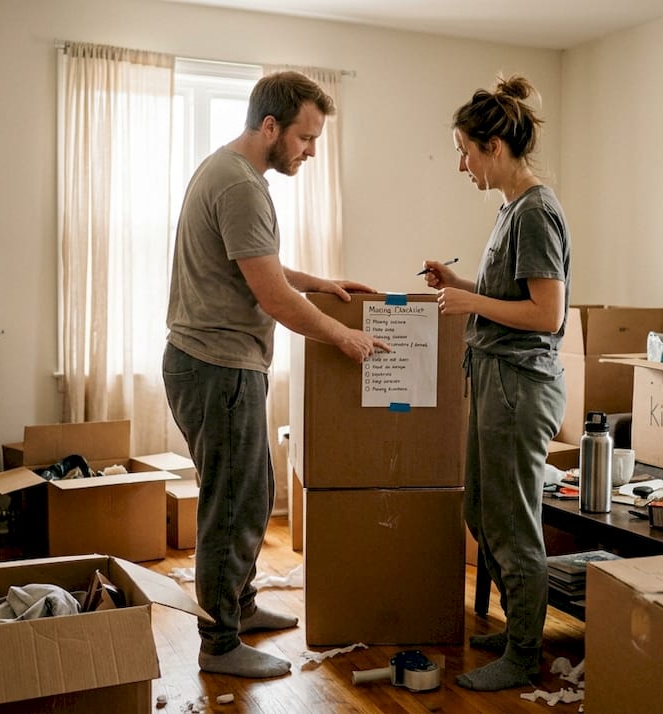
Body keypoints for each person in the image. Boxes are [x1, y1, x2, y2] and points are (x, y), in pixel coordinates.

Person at [163, 71, 390, 679]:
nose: (311, 151)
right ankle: (219, 644)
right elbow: (272, 297)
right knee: (232, 507)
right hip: (218, 368)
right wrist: (342, 335)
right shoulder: (241, 185)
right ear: (270, 126)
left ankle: (240, 606)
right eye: (305, 138)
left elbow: (260, 265)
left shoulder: (231, 172)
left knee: (250, 494)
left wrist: (321, 283)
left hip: (214, 364)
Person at [422, 74, 570, 691]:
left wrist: (470, 304)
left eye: (465, 151)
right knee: (482, 510)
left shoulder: (535, 212)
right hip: (494, 377)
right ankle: (516, 632)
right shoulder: (512, 209)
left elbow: (548, 314)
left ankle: (525, 653)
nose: (462, 165)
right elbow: (512, 296)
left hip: (519, 385)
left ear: (495, 147)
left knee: (511, 520)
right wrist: (461, 286)